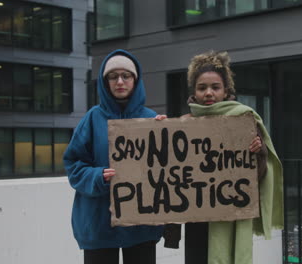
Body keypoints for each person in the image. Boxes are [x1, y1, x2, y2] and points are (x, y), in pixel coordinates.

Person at [163, 50, 284, 264]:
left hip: (229, 213)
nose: (208, 93)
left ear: (226, 90)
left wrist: (259, 152)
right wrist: (159, 132)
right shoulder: (184, 123)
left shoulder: (243, 119)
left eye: (215, 87)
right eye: (202, 88)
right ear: (194, 91)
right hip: (197, 218)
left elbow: (256, 176)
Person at [63, 49, 165, 264]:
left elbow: (169, 168)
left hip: (142, 225)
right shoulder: (91, 119)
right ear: (104, 81)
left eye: (126, 76)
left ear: (135, 80)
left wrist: (167, 133)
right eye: (113, 76)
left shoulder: (152, 119)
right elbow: (73, 163)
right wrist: (97, 176)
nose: (120, 81)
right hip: (99, 221)